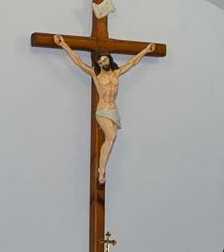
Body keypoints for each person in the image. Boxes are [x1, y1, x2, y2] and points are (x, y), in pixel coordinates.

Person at [53, 34, 155, 185]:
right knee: (112, 137)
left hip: (114, 109)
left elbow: (132, 62)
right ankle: (101, 170)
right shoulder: (96, 74)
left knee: (111, 140)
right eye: (100, 61)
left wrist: (146, 50)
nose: (103, 62)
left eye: (104, 59)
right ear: (98, 64)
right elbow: (79, 63)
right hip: (102, 110)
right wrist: (64, 45)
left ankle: (102, 167)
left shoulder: (116, 73)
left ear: (109, 59)